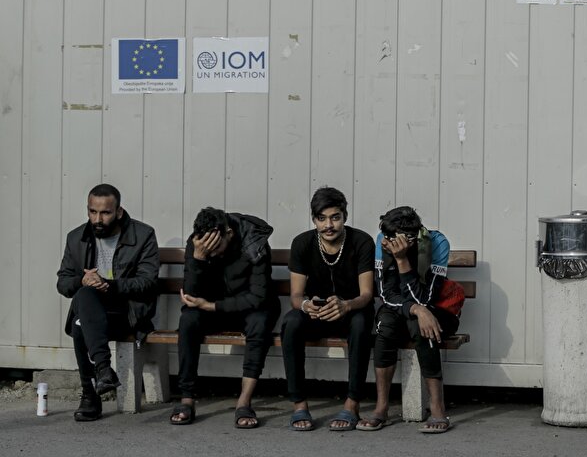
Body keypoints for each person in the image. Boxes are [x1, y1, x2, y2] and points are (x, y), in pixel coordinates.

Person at [55, 184, 160, 422]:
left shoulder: (143, 235)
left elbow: (148, 283)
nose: (98, 219)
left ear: (119, 211)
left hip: (129, 314)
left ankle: (91, 395)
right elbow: (63, 283)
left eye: (105, 213)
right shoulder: (76, 238)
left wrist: (110, 285)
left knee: (81, 320)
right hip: (94, 313)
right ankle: (103, 371)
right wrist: (83, 279)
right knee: (83, 301)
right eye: (93, 212)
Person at [171, 207, 279, 428]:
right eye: (208, 250)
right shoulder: (200, 242)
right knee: (188, 320)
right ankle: (187, 399)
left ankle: (244, 402)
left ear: (229, 233)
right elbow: (190, 295)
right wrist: (198, 258)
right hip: (213, 308)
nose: (215, 254)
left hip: (249, 308)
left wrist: (211, 305)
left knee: (260, 322)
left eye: (217, 248)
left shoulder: (254, 241)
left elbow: (258, 297)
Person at [280, 187, 375, 431]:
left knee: (361, 323)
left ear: (345, 216)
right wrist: (306, 306)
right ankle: (299, 405)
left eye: (335, 217)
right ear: (314, 219)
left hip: (351, 310)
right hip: (317, 313)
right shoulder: (302, 243)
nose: (328, 225)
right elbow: (296, 296)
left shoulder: (362, 241)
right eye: (321, 219)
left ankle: (352, 404)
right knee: (291, 322)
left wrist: (346, 305)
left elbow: (366, 294)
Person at [358, 206, 459, 434]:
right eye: (387, 238)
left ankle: (437, 407)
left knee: (423, 326)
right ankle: (381, 407)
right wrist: (416, 309)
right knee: (386, 325)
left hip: (438, 309)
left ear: (412, 238)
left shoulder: (436, 243)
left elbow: (427, 298)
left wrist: (402, 261)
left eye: (396, 240)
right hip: (400, 308)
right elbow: (385, 294)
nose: (388, 243)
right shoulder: (382, 240)